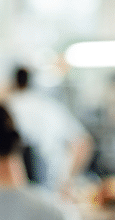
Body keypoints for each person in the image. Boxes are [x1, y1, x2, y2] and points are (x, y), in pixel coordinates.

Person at [6, 66, 94, 198]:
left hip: (18, 194)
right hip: (53, 193)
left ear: (13, 83)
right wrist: (65, 180)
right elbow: (83, 144)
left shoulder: (6, 109)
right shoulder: (50, 107)